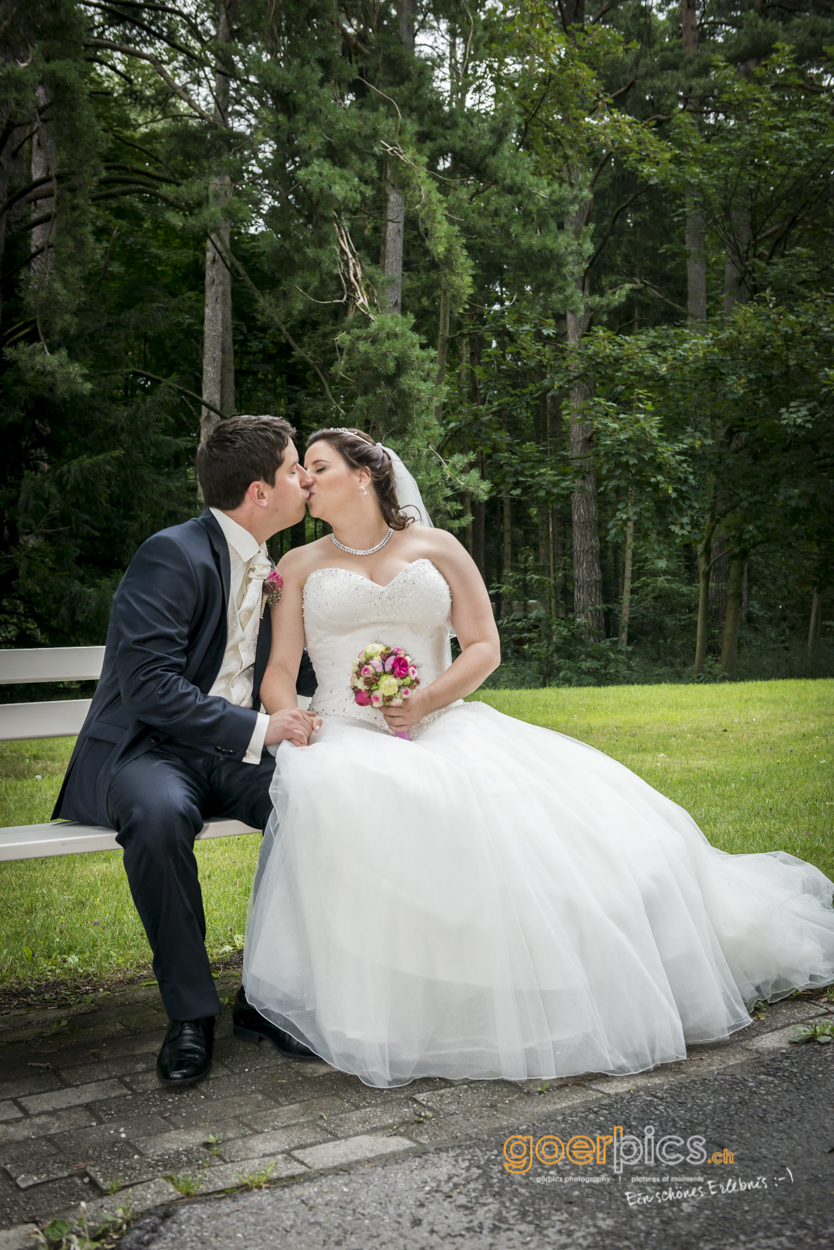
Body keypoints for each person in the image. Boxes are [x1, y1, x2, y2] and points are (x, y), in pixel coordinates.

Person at [240, 426, 834, 1090]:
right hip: (343, 729)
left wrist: (426, 699)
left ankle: (551, 972)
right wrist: (290, 715)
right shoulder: (296, 566)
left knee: (526, 825)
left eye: (318, 466)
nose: (306, 479)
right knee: (355, 793)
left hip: (439, 721)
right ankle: (391, 994)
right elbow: (281, 667)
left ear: (363, 475)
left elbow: (483, 647)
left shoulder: (439, 549)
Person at [54, 415, 322, 1087]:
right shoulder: (172, 553)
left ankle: (266, 997)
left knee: (321, 804)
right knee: (159, 815)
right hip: (154, 752)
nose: (305, 480)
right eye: (294, 469)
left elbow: (299, 673)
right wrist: (261, 732)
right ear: (260, 491)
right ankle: (190, 1014)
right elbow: (148, 687)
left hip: (236, 756)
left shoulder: (279, 568)